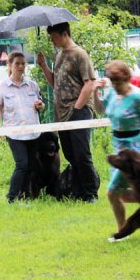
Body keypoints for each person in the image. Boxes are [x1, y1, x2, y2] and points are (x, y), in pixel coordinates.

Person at [93, 60, 140, 236]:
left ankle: (122, 232)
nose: (116, 86)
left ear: (127, 79)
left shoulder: (138, 97)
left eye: (118, 83)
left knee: (112, 192)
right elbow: (100, 110)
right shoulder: (111, 93)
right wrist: (95, 91)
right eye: (113, 82)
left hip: (135, 150)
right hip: (119, 148)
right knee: (122, 195)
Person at [36, 22, 99, 203]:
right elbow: (56, 84)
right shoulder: (59, 56)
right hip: (61, 113)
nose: (52, 41)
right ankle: (78, 190)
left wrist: (77, 107)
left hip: (79, 111)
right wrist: (44, 67)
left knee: (82, 153)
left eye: (54, 37)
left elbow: (89, 83)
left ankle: (90, 193)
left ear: (65, 34)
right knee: (71, 154)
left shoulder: (80, 54)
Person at [0, 51, 46, 202]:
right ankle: (12, 197)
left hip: (33, 131)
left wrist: (40, 105)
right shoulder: (2, 87)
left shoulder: (32, 85)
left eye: (23, 63)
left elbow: (41, 107)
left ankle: (26, 195)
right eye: (17, 64)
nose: (21, 66)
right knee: (22, 164)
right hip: (14, 133)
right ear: (10, 65)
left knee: (30, 165)